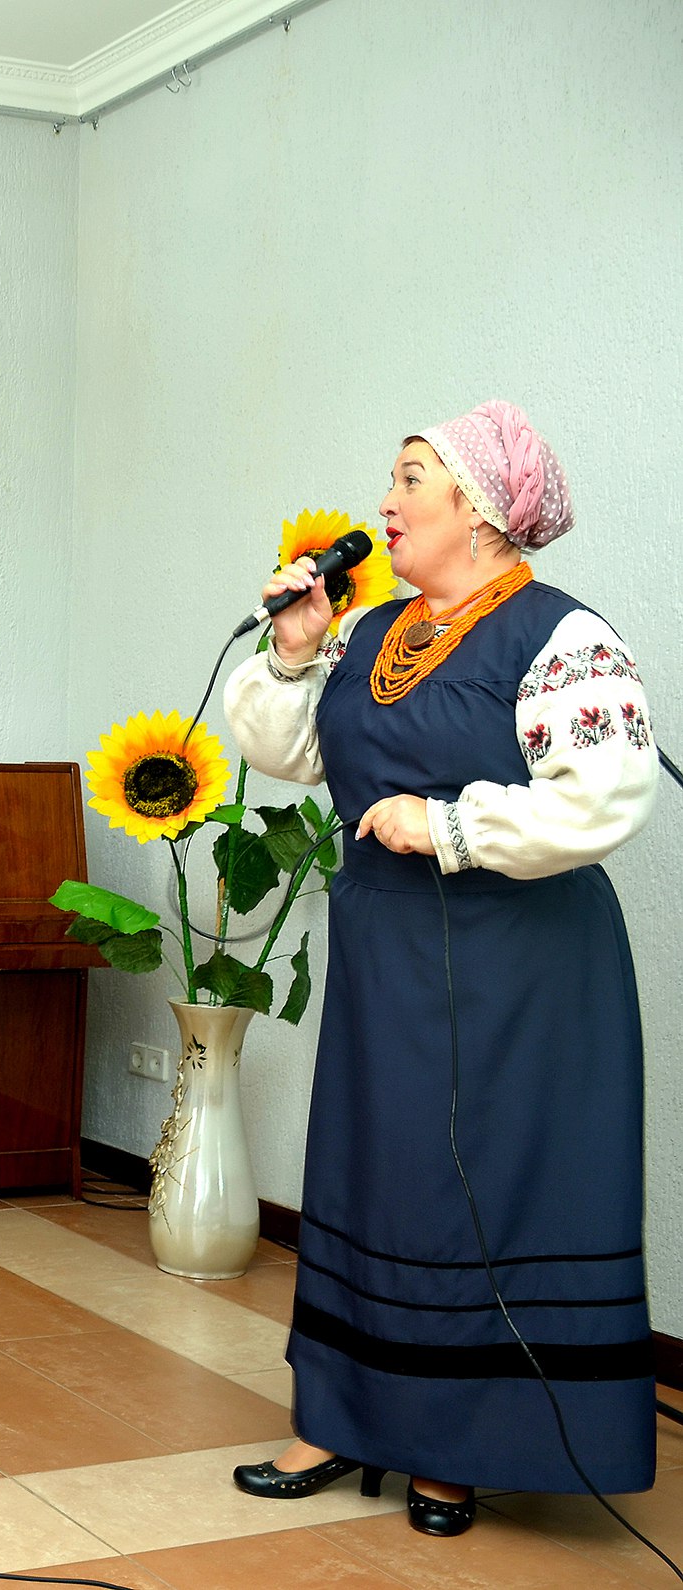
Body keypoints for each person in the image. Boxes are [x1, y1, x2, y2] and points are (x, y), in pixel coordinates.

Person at [223, 400, 657, 1536]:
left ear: (479, 509)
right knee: (374, 1172)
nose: (385, 501)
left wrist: (449, 824)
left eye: (410, 479)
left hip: (519, 973)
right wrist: (295, 650)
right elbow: (293, 749)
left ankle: (453, 1444)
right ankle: (341, 1415)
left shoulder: (563, 638)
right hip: (387, 957)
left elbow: (606, 797)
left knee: (476, 1193)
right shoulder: (374, 631)